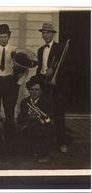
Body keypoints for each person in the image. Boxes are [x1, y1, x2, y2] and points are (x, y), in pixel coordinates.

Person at [36, 23, 72, 153]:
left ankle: (62, 142)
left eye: (48, 33)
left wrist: (55, 70)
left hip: (58, 87)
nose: (45, 35)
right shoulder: (40, 50)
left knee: (58, 115)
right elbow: (40, 68)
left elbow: (69, 68)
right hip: (44, 85)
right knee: (44, 114)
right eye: (43, 33)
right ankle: (47, 141)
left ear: (53, 34)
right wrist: (38, 82)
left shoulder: (61, 48)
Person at [0, 24, 19, 144]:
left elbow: (21, 67)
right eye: (1, 37)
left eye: (5, 37)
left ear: (9, 36)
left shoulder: (14, 50)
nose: (3, 39)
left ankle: (10, 140)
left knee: (9, 111)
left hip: (8, 82)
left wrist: (17, 82)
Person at [17, 77, 52, 163]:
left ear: (41, 91)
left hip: (42, 125)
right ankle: (29, 151)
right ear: (29, 90)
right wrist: (29, 117)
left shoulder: (47, 102)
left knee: (42, 130)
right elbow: (20, 118)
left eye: (37, 89)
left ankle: (44, 154)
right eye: (31, 89)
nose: (34, 92)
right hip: (28, 124)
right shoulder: (24, 102)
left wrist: (36, 118)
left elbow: (49, 118)